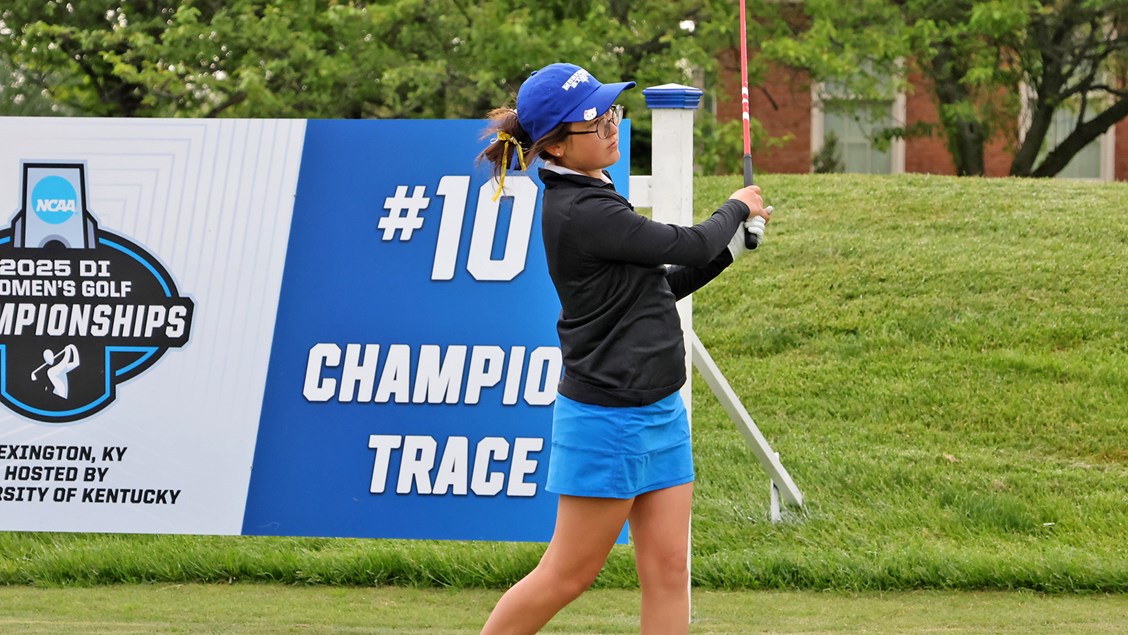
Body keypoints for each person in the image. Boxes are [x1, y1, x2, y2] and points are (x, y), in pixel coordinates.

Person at [477, 62, 770, 635]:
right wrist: (736, 207)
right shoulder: (581, 212)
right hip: (607, 418)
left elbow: (657, 287)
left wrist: (732, 250)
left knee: (667, 571)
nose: (611, 125)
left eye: (610, 111)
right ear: (556, 148)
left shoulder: (595, 196)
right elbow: (688, 244)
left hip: (659, 410)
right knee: (567, 575)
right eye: (594, 120)